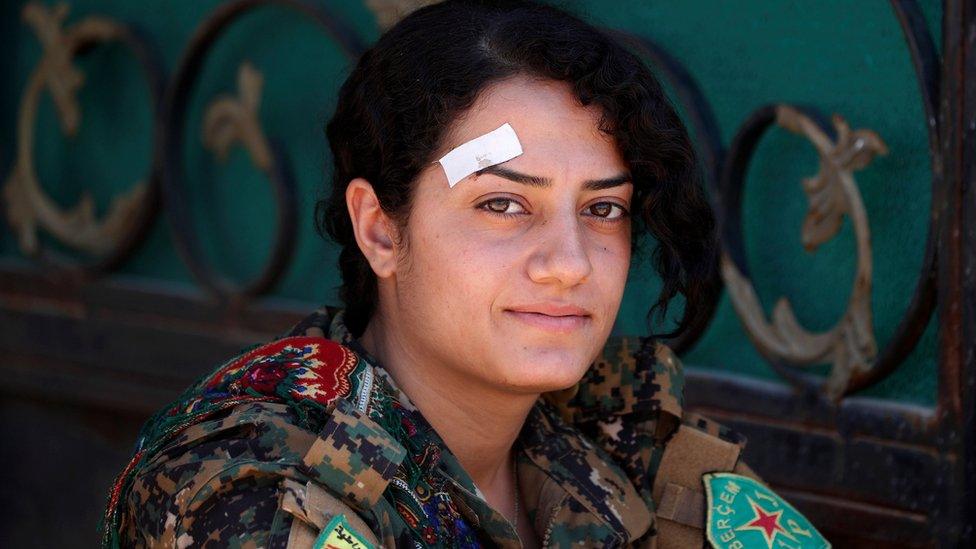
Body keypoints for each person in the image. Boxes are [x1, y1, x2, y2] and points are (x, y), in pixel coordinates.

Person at [102, 1, 827, 547]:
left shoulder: (616, 430)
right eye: (504, 203)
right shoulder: (254, 486)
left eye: (603, 208)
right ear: (381, 228)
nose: (570, 263)